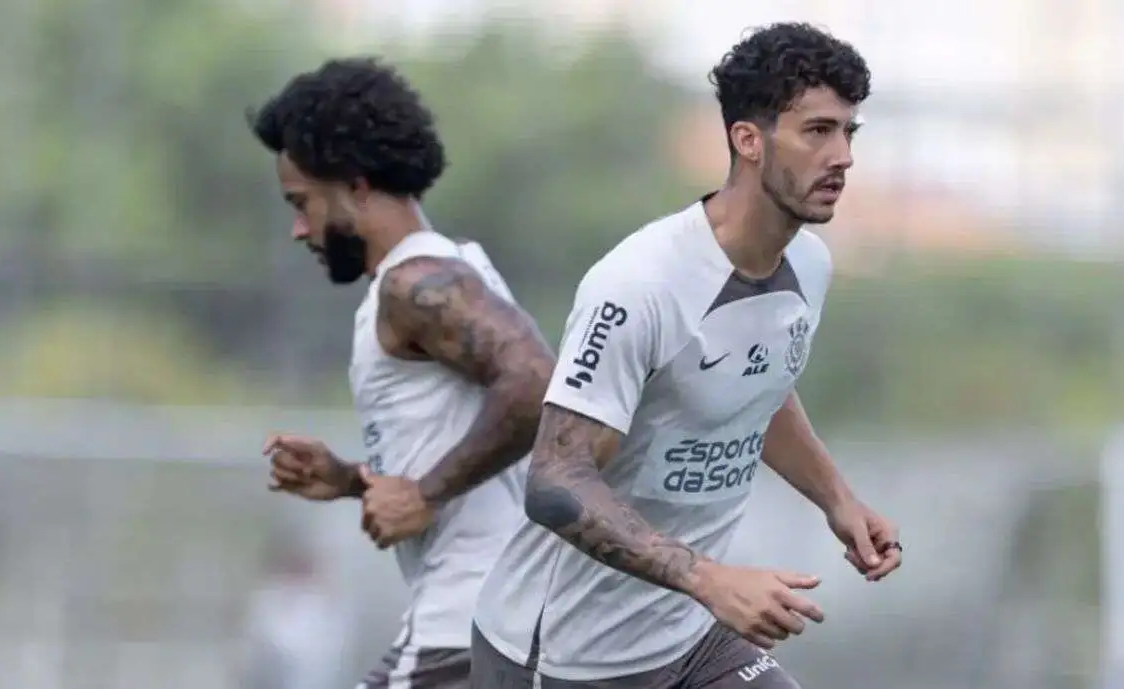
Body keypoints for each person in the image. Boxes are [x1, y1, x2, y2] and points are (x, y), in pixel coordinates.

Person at [471, 22, 902, 689]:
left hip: (690, 636)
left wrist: (838, 500)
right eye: (818, 131)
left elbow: (758, 383)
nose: (842, 155)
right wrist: (711, 579)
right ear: (747, 140)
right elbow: (555, 479)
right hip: (564, 657)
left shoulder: (809, 266)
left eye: (850, 132)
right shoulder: (639, 284)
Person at [247, 57, 556, 689]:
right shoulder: (439, 276)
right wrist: (352, 481)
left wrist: (423, 493)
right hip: (505, 632)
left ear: (357, 187)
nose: (297, 228)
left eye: (302, 203)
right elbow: (481, 459)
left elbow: (538, 384)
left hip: (466, 635)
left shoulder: (416, 284)